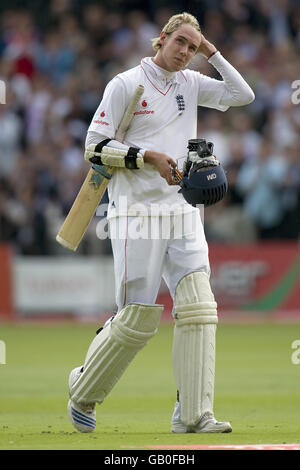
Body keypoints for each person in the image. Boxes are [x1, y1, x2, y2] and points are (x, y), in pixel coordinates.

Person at [67, 12, 254, 434]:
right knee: (137, 317)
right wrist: (146, 157)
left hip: (184, 210)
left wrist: (213, 52)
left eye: (193, 47)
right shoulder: (125, 84)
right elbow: (94, 148)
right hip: (136, 213)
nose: (186, 52)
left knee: (200, 307)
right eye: (181, 42)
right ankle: (83, 389)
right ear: (162, 39)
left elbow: (243, 95)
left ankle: (193, 414)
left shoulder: (190, 81)